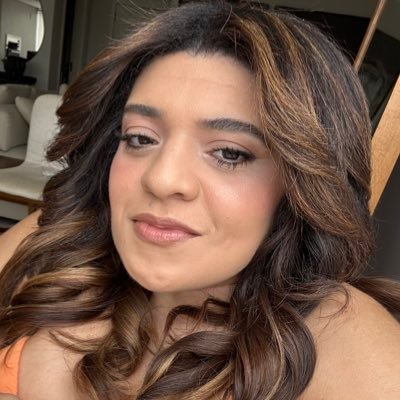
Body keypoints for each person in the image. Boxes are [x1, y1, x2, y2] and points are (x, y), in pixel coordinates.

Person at [0, 1, 399, 399]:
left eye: (229, 153)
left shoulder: (342, 336)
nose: (161, 179)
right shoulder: (54, 242)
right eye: (140, 138)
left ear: (301, 185)